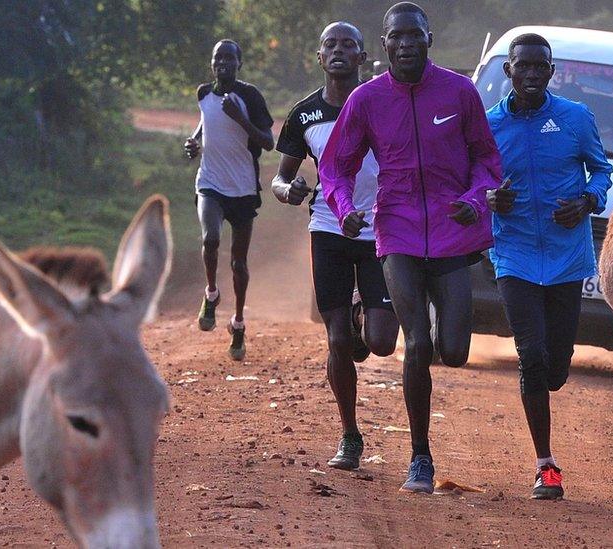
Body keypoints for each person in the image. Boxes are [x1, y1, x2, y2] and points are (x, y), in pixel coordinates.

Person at [319, 2, 502, 493]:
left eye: (413, 35)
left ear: (428, 40)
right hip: (396, 230)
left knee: (455, 351)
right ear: (383, 45)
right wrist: (343, 209)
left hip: (451, 233)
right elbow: (335, 166)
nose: (405, 44)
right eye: (395, 37)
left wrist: (472, 199)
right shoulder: (367, 98)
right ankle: (421, 457)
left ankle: (438, 328)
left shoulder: (459, 92)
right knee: (416, 343)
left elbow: (487, 159)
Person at [485, 33, 613, 499]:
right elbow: (470, 181)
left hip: (565, 258)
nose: (533, 74)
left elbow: (601, 171)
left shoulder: (575, 118)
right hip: (513, 253)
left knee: (555, 367)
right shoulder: (488, 125)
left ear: (552, 72)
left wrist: (586, 202)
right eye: (524, 67)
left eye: (542, 67)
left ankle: (554, 369)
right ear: (509, 71)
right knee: (531, 356)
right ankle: (546, 466)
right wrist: (488, 198)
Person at [272, 21, 400, 470]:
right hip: (328, 228)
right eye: (331, 44)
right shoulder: (304, 114)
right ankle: (350, 435)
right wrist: (287, 190)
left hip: (382, 230)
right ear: (320, 58)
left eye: (350, 44)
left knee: (382, 343)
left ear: (364, 58)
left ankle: (363, 310)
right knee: (337, 339)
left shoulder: (385, 103)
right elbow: (280, 176)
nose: (339, 50)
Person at [184, 39, 274, 361]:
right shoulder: (203, 93)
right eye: (217, 58)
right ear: (212, 64)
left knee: (238, 263)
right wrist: (194, 142)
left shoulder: (250, 97)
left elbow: (267, 142)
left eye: (228, 59)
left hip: (243, 190)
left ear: (239, 64)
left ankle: (238, 324)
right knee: (210, 238)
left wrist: (240, 118)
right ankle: (211, 294)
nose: (222, 63)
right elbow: (205, 121)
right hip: (210, 183)